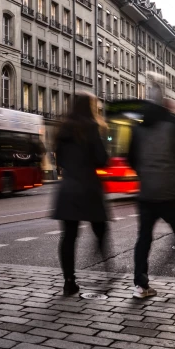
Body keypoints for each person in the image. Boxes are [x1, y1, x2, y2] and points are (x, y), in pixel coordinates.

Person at [128, 77, 175, 299]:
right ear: (163, 102)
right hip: (170, 192)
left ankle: (141, 285)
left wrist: (145, 172)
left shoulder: (137, 129)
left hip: (146, 193)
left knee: (143, 238)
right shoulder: (173, 124)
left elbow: (130, 159)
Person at [52, 93, 109, 296]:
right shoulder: (91, 127)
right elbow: (101, 159)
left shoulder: (62, 129)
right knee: (101, 228)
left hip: (67, 188)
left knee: (68, 236)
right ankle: (107, 267)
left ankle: (69, 281)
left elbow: (59, 158)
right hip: (88, 187)